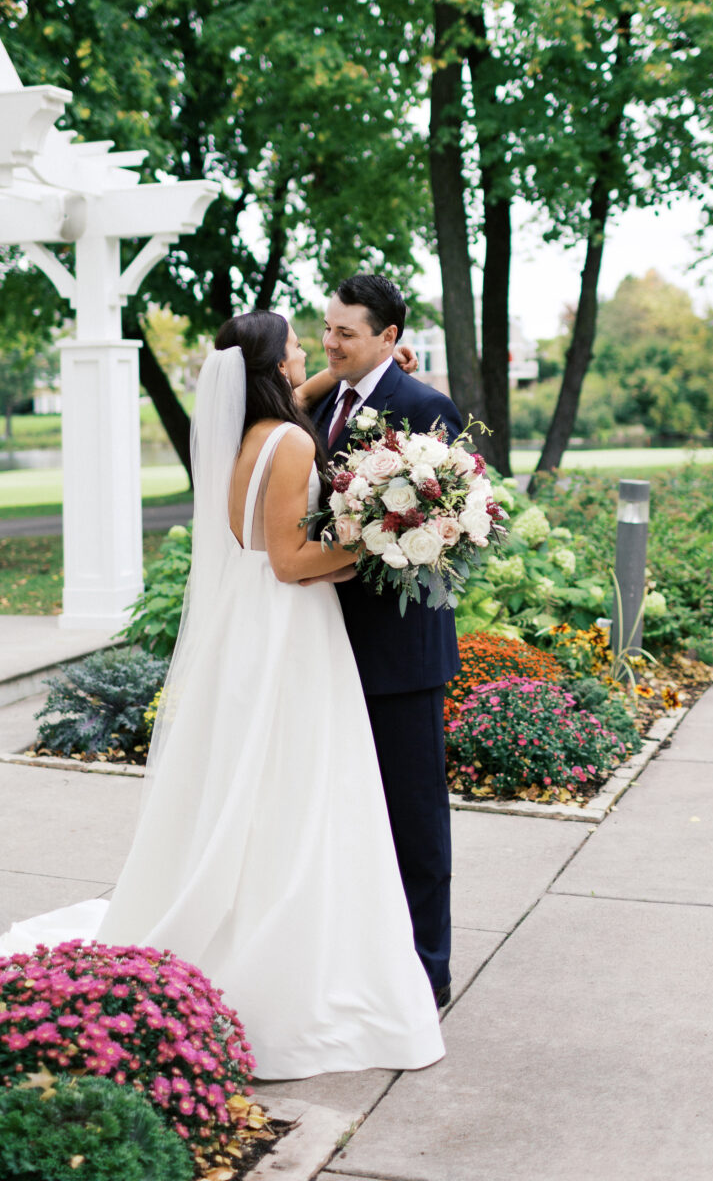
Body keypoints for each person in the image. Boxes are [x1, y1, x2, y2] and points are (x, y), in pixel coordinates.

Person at [0, 310, 444, 1080]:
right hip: (291, 622)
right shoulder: (289, 442)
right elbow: (289, 561)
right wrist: (377, 543)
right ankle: (286, 952)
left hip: (253, 625)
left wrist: (345, 379)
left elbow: (285, 428)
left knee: (258, 783)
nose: (307, 354)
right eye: (295, 346)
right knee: (302, 785)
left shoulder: (242, 437)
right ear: (270, 365)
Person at [310, 274, 463, 1010]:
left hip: (400, 650)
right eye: (326, 328)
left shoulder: (425, 409)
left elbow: (452, 529)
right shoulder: (318, 407)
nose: (329, 342)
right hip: (319, 643)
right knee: (340, 814)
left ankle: (427, 970)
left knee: (414, 818)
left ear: (388, 338)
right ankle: (358, 956)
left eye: (344, 332)